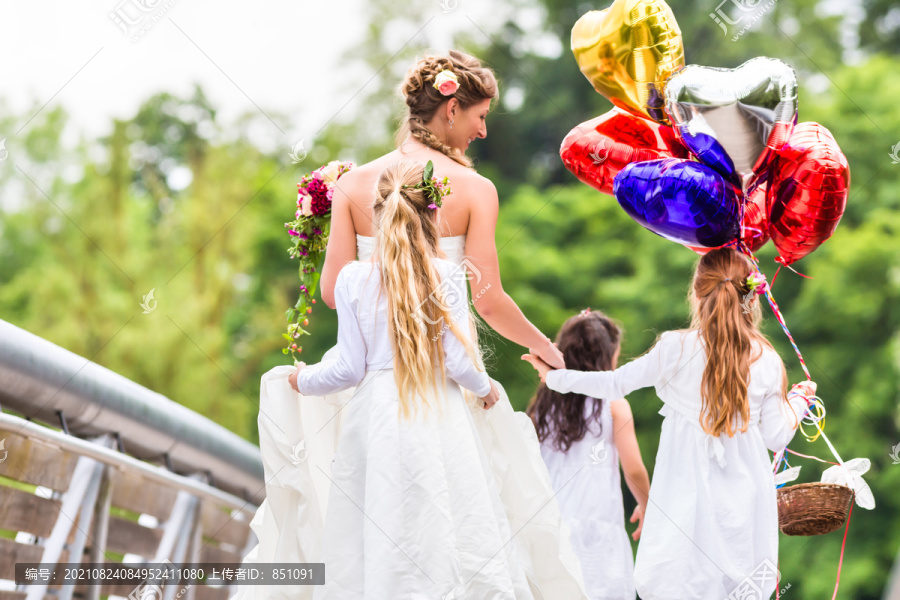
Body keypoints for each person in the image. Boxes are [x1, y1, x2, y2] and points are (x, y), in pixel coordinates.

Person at [231, 50, 590, 600]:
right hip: (446, 392)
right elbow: (488, 300)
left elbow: (331, 292)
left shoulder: (356, 186)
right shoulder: (476, 191)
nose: (483, 129)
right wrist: (546, 348)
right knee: (458, 518)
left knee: (374, 522)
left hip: (376, 394)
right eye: (478, 116)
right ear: (450, 109)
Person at [522, 248, 816, 600]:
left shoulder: (674, 348)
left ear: (696, 293)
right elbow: (777, 435)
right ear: (750, 296)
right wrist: (799, 401)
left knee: (678, 583)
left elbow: (612, 384)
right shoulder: (766, 359)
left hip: (683, 505)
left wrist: (555, 378)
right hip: (742, 506)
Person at [526, 308, 650, 600]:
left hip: (549, 526)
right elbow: (632, 469)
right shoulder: (612, 403)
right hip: (597, 526)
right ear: (606, 359)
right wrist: (647, 505)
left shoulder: (541, 408)